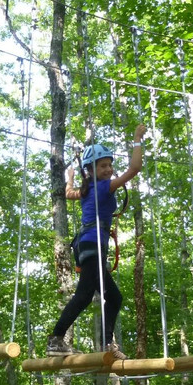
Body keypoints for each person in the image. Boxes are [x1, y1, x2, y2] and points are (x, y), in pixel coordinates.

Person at [47, 124, 146, 360]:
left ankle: (104, 344)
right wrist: (136, 139)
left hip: (88, 245)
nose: (109, 169)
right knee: (83, 295)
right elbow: (135, 168)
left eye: (110, 165)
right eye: (103, 166)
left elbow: (69, 192)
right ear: (90, 170)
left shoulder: (86, 189)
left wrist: (69, 178)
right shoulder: (103, 187)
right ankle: (56, 339)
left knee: (114, 297)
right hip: (91, 244)